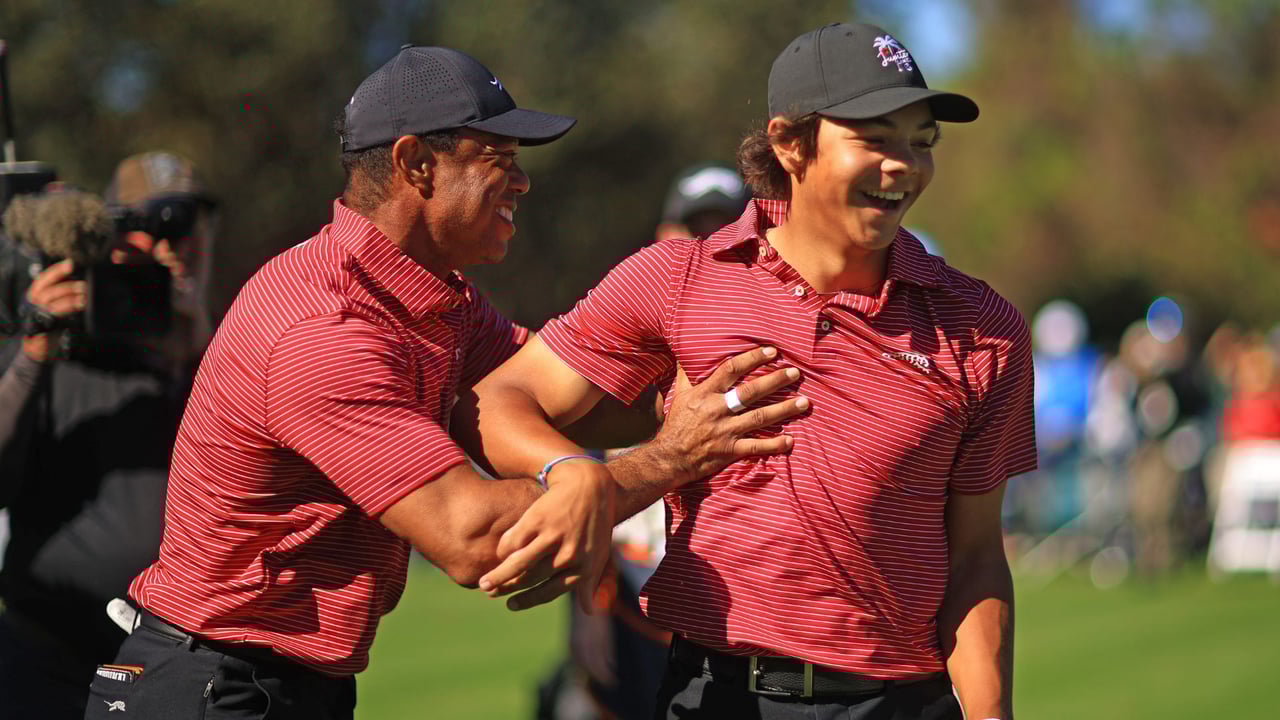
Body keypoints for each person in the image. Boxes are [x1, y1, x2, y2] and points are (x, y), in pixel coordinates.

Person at [88, 46, 804, 720]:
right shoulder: (323, 326)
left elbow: (571, 395)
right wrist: (671, 459)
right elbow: (469, 536)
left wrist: (735, 386)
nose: (522, 181)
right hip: (208, 685)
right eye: (498, 158)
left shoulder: (436, 298)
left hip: (274, 683)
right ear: (416, 163)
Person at [458, 23, 1036, 720]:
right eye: (876, 137)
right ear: (791, 144)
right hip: (716, 695)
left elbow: (976, 560)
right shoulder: (679, 279)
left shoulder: (983, 328)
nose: (905, 165)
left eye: (921, 142)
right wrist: (572, 473)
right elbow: (498, 397)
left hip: (902, 703)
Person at [0, 152, 217, 720]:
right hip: (44, 662)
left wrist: (199, 355)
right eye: (153, 226)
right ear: (112, 239)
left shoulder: (218, 358)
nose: (176, 244)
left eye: (190, 224)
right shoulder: (58, 346)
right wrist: (31, 354)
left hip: (171, 668)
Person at [538, 164, 751, 720]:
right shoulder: (627, 345)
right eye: (693, 226)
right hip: (633, 621)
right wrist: (586, 610)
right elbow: (577, 474)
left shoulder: (768, 342)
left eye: (722, 227)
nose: (705, 243)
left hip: (739, 631)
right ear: (663, 237)